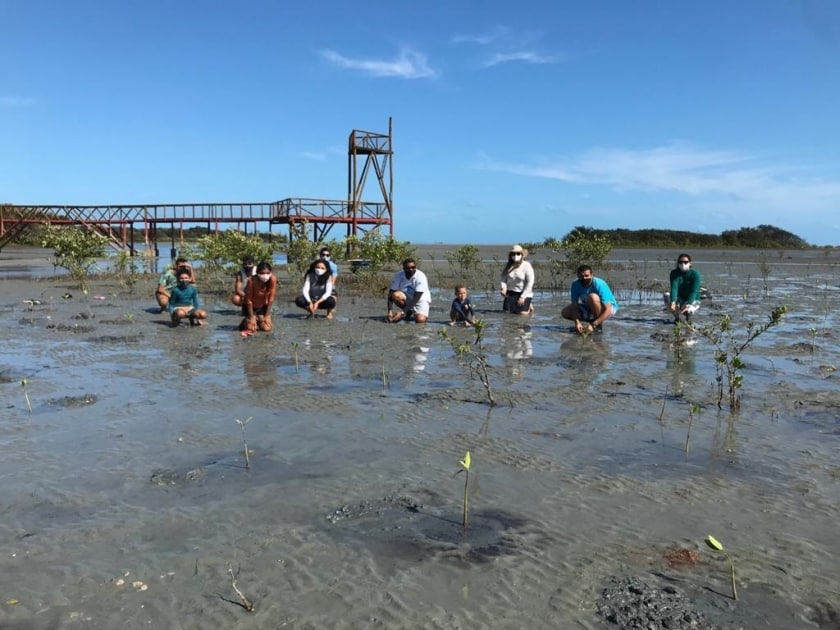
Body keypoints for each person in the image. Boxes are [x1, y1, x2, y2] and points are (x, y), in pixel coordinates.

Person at [561, 264, 619, 334]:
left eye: (586, 276)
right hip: (589, 306)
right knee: (565, 312)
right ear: (578, 276)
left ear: (591, 275)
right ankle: (589, 322)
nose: (584, 278)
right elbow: (574, 306)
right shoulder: (575, 284)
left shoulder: (599, 284)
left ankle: (598, 326)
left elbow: (608, 310)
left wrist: (594, 325)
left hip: (609, 308)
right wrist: (577, 322)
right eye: (581, 276)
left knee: (592, 297)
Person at [387, 258, 431, 324]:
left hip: (421, 299)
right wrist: (389, 311)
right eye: (408, 268)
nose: (411, 270)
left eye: (413, 267)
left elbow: (416, 299)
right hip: (407, 296)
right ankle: (408, 312)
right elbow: (391, 293)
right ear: (404, 268)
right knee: (395, 295)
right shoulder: (399, 275)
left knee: (420, 320)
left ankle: (413, 312)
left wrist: (402, 312)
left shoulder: (421, 277)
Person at [664, 253, 702, 324]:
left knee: (688, 310)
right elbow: (674, 288)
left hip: (693, 299)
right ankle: (677, 318)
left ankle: (689, 319)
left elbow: (693, 291)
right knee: (666, 296)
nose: (683, 264)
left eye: (685, 262)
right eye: (681, 262)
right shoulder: (674, 273)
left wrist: (689, 303)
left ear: (690, 263)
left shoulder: (695, 275)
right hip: (680, 298)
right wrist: (673, 302)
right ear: (678, 263)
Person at [242, 261, 277, 333]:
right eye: (262, 273)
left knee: (267, 328)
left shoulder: (273, 279)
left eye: (267, 273)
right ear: (257, 272)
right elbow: (248, 300)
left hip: (263, 307)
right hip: (251, 307)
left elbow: (271, 298)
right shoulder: (251, 280)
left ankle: (259, 318)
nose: (265, 275)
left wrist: (267, 315)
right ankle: (248, 319)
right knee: (251, 329)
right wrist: (251, 317)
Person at [500, 244, 535, 315]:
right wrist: (503, 287)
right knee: (507, 313)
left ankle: (528, 306)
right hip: (511, 293)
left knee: (522, 314)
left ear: (522, 255)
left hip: (524, 293)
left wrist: (523, 297)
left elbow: (530, 283)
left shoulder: (526, 266)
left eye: (518, 253)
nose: (515, 255)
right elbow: (503, 279)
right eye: (513, 254)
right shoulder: (508, 266)